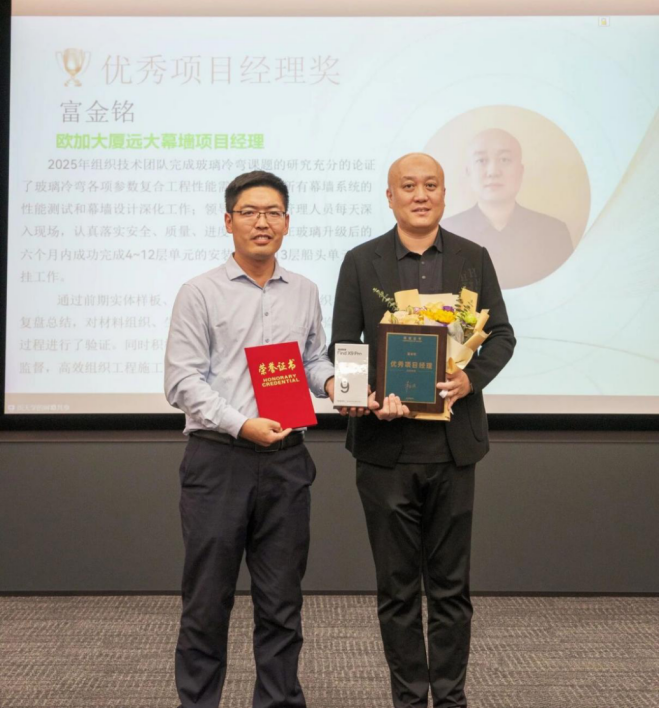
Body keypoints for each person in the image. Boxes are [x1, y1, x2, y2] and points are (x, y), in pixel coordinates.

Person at [330, 152, 515, 708]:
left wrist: (469, 380)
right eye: (407, 186)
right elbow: (345, 348)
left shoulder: (472, 258)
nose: (420, 194)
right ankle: (409, 699)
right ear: (390, 197)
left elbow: (501, 335)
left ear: (444, 194)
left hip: (453, 450)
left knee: (452, 589)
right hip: (385, 451)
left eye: (430, 185)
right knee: (398, 590)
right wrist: (364, 396)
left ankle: (451, 699)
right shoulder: (361, 261)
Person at [165, 170, 335, 708]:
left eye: (273, 213)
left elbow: (313, 360)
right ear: (228, 221)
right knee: (207, 603)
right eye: (249, 212)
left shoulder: (304, 291)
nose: (262, 222)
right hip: (220, 460)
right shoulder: (199, 292)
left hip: (286, 462)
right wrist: (242, 423)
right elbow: (182, 381)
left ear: (287, 222)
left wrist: (335, 383)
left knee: (282, 604)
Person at [441, 128, 574, 289]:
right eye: (481, 161)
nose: (493, 172)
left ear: (520, 171)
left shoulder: (554, 233)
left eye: (504, 160)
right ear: (468, 172)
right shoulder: (444, 234)